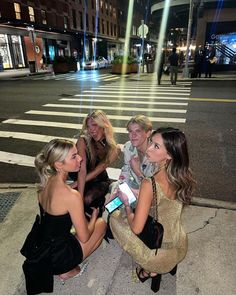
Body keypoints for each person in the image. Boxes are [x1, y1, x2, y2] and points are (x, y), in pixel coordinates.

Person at [109, 127, 195, 292]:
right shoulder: (181, 174)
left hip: (158, 255)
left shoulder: (150, 183)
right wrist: (139, 193)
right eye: (151, 143)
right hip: (179, 244)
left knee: (114, 217)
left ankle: (149, 270)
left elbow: (136, 228)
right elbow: (162, 201)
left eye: (156, 146)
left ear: (169, 155)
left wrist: (127, 204)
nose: (148, 148)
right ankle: (156, 269)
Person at [20, 139, 107, 294]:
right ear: (59, 165)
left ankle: (64, 266)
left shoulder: (43, 184)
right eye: (74, 156)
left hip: (42, 249)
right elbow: (85, 237)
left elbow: (53, 222)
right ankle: (67, 271)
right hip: (59, 258)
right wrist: (93, 217)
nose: (80, 158)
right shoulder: (70, 195)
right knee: (101, 224)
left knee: (77, 229)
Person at [69, 110, 120, 215]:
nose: (91, 129)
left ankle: (100, 210)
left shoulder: (114, 149)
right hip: (82, 178)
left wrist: (73, 186)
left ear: (103, 125)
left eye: (95, 125)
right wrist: (79, 194)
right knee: (74, 201)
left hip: (98, 180)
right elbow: (82, 171)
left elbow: (98, 171)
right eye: (88, 126)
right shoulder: (83, 141)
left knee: (87, 199)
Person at [118, 115, 155, 190]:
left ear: (148, 133)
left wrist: (137, 172)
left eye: (138, 131)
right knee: (114, 194)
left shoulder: (155, 154)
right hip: (134, 186)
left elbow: (154, 190)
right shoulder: (128, 147)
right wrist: (120, 190)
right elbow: (125, 172)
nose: (133, 135)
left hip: (150, 194)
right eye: (130, 131)